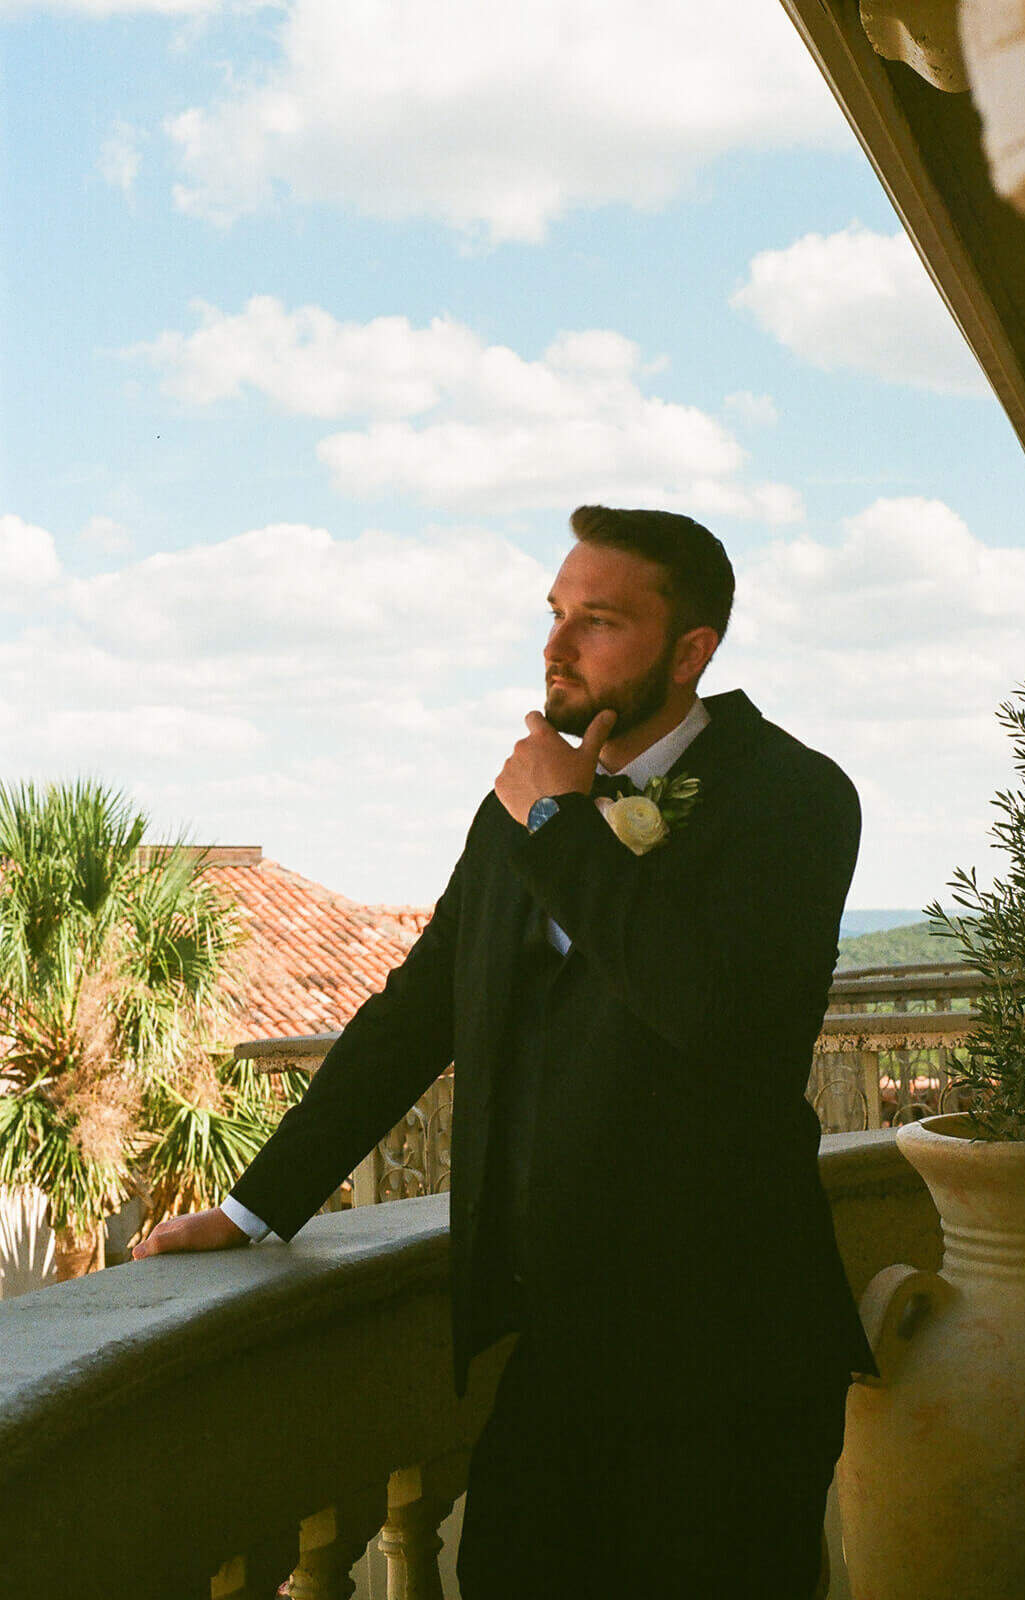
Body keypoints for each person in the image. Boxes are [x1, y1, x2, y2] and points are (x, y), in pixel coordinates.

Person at [135, 505, 873, 1598]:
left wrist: (562, 829)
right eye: (555, 613)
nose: (558, 645)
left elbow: (714, 1015)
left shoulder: (794, 794)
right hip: (561, 1353)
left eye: (600, 620)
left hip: (734, 1352)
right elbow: (413, 1012)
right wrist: (254, 1207)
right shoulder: (516, 808)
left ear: (691, 651)